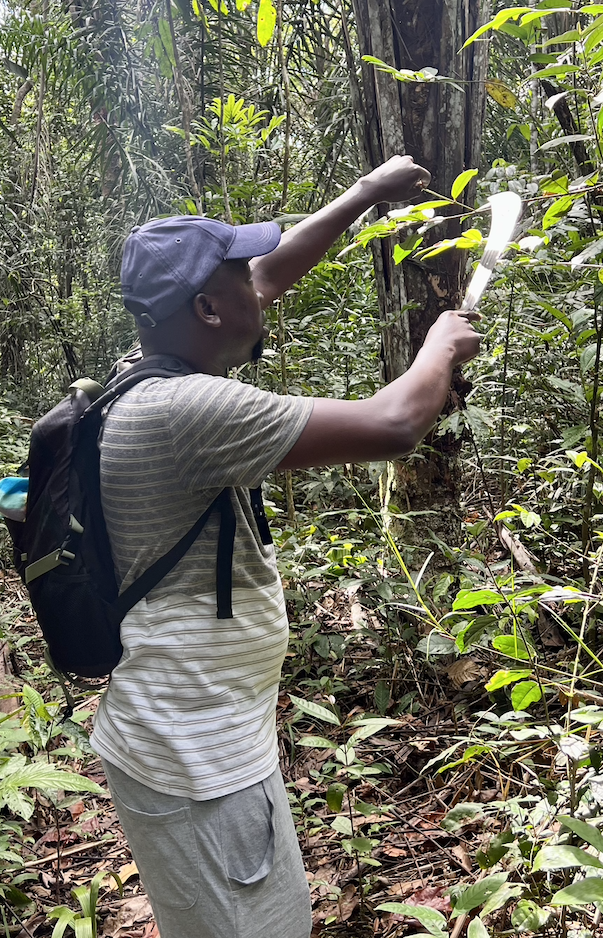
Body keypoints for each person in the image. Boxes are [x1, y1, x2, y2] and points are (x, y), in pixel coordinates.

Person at [91, 155, 481, 938]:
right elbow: (393, 425)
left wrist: (365, 195)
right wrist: (438, 347)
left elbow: (268, 276)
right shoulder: (187, 409)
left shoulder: (138, 376)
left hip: (188, 734)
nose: (257, 282)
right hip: (199, 759)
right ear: (207, 309)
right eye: (237, 275)